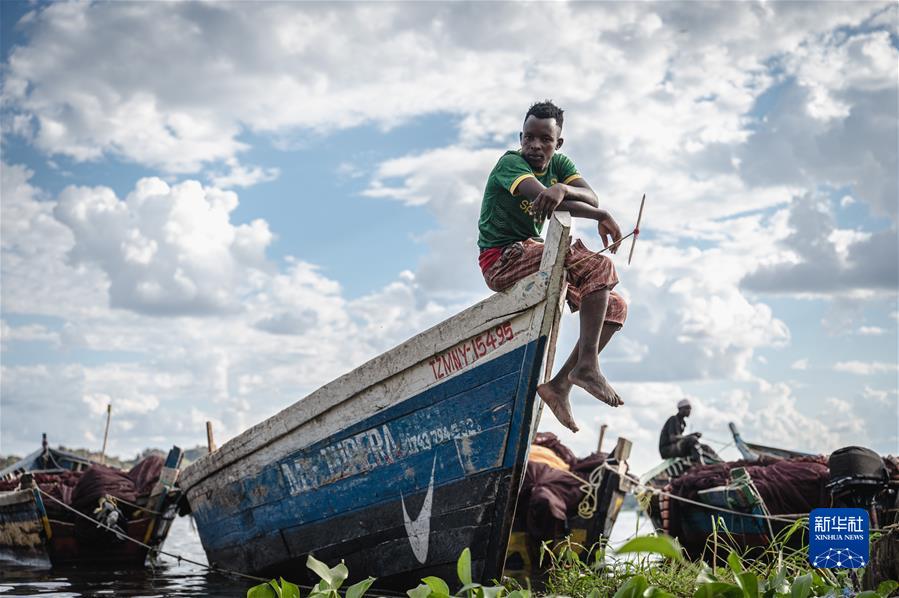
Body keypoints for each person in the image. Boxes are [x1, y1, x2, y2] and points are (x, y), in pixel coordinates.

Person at [477, 100, 628, 433]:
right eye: (528, 137)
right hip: (502, 259)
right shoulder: (511, 164)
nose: (535, 146)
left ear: (557, 143)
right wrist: (583, 206)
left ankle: (560, 385)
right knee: (599, 267)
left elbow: (590, 196)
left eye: (545, 139)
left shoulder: (559, 164)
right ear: (520, 137)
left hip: (533, 252)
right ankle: (587, 366)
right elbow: (542, 198)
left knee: (614, 308)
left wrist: (567, 190)